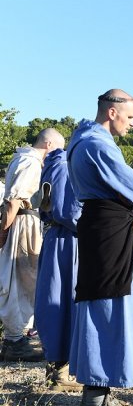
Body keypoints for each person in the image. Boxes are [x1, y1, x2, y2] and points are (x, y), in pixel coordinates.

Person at [66, 89, 133, 406]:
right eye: (130, 118)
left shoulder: (80, 141)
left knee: (100, 303)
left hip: (99, 227)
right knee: (108, 306)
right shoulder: (97, 145)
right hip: (110, 231)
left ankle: (99, 397)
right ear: (112, 113)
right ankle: (97, 402)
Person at [0, 128, 65, 362]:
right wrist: (4, 232)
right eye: (57, 149)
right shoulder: (29, 162)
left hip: (26, 221)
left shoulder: (27, 161)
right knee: (21, 279)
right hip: (23, 223)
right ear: (48, 144)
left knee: (26, 279)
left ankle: (15, 339)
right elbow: (13, 202)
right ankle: (15, 340)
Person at [34, 145, 84, 391]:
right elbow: (69, 212)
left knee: (55, 299)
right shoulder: (64, 166)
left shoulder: (51, 166)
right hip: (68, 240)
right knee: (63, 302)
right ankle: (60, 373)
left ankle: (57, 369)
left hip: (56, 237)